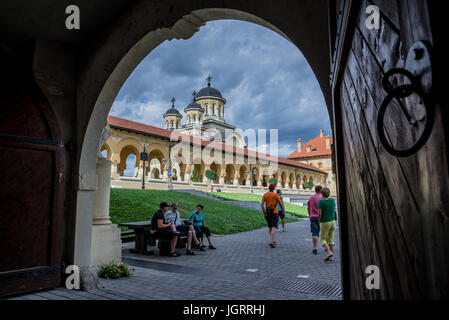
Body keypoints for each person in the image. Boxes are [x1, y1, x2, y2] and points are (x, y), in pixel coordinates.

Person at [261, 184, 284, 248]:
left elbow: (262, 204)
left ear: (268, 188)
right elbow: (280, 204)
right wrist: (283, 210)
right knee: (274, 227)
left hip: (268, 212)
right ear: (274, 188)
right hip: (275, 212)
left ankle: (272, 240)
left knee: (270, 227)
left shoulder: (265, 195)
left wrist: (264, 212)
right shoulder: (276, 195)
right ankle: (271, 241)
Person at [318, 187, 336, 262]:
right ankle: (331, 257)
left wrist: (319, 221)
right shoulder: (332, 200)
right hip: (333, 222)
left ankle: (329, 252)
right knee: (331, 238)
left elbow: (319, 213)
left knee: (322, 238)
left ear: (322, 194)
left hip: (325, 222)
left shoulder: (321, 201)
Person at [307, 185, 323, 254]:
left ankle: (315, 247)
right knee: (324, 232)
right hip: (321, 218)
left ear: (315, 190)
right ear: (321, 190)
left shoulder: (311, 197)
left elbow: (308, 207)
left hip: (313, 217)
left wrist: (309, 215)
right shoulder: (322, 197)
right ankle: (326, 246)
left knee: (314, 233)